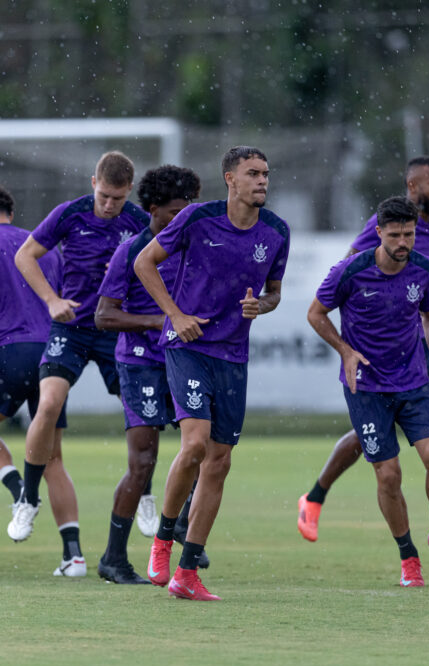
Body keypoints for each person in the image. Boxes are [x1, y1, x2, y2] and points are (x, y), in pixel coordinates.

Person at [137, 146, 289, 601]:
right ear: (230, 179)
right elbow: (143, 262)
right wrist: (174, 315)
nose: (262, 181)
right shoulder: (198, 219)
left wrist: (258, 306)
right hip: (187, 346)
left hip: (233, 355)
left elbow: (274, 294)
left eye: (266, 173)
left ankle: (187, 573)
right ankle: (163, 539)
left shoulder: (277, 231)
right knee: (196, 444)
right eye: (253, 173)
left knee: (220, 462)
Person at [298, 156, 429, 546]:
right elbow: (352, 268)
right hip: (376, 350)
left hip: (420, 344)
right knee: (371, 440)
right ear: (413, 187)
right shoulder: (380, 231)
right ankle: (315, 495)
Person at [14, 151, 149, 577]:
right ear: (94, 182)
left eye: (117, 199)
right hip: (71, 325)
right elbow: (25, 256)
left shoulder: (140, 223)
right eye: (104, 196)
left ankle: (144, 492)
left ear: (129, 192)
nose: (109, 206)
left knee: (140, 413)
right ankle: (27, 498)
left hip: (116, 330)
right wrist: (52, 300)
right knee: (48, 403)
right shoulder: (68, 215)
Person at [94, 164, 201, 584]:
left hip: (185, 358)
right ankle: (113, 559)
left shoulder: (196, 246)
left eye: (187, 209)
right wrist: (157, 321)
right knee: (143, 462)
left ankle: (182, 531)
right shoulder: (132, 250)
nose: (182, 218)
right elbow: (104, 316)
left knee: (206, 450)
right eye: (175, 212)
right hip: (140, 364)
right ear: (153, 210)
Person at [0, 183, 73, 544]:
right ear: (10, 212)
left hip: (11, 350)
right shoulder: (41, 244)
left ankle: (21, 490)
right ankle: (74, 555)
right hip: (53, 351)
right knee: (52, 458)